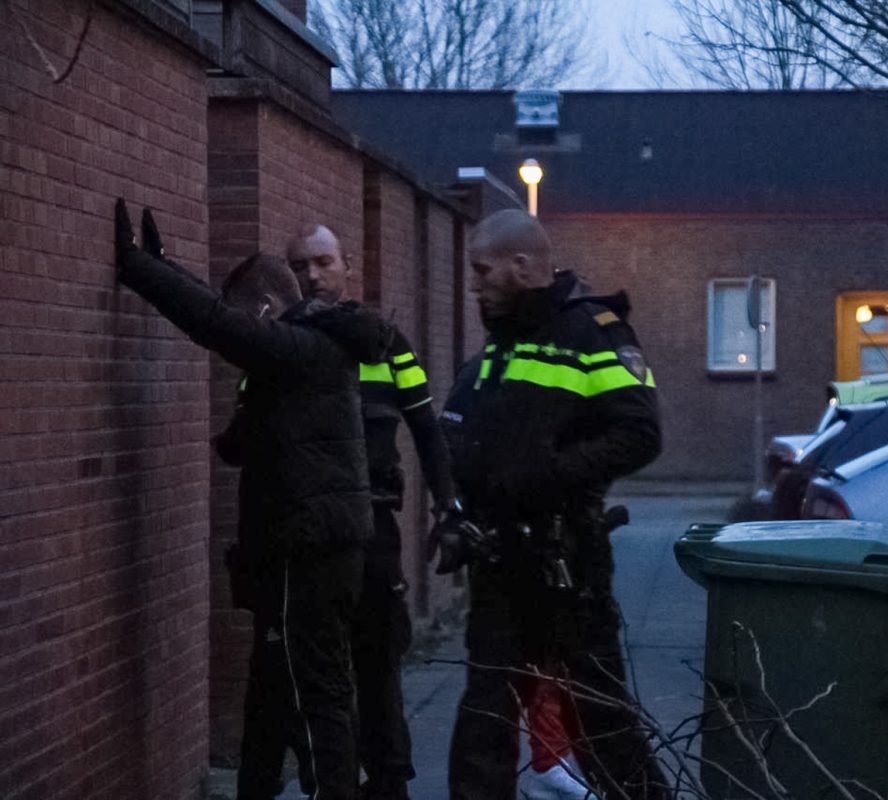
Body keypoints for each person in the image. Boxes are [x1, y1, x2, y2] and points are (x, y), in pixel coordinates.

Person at [114, 200, 387, 800]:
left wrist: (141, 269)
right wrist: (169, 266)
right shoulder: (305, 350)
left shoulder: (298, 349)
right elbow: (243, 437)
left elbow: (218, 324)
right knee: (272, 694)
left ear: (264, 310)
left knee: (316, 696)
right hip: (312, 548)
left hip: (306, 551)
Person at [432, 210, 670, 800]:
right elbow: (476, 443)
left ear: (522, 266)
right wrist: (459, 510)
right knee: (485, 721)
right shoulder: (502, 344)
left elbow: (640, 433)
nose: (475, 284)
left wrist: (546, 476)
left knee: (599, 719)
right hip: (501, 563)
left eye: (482, 271)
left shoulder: (592, 330)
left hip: (566, 564)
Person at [282, 223, 461, 800]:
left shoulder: (388, 345)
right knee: (317, 675)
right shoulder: (283, 342)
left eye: (323, 262)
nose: (312, 275)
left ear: (347, 266)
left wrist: (448, 504)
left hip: (376, 531)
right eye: (301, 265)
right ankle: (330, 782)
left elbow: (427, 430)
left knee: (380, 664)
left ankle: (389, 782)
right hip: (313, 534)